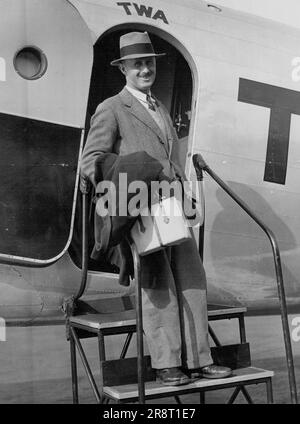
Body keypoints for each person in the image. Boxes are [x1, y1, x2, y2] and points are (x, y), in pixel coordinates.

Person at [80, 31, 232, 386]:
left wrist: (182, 188)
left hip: (172, 209)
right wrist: (131, 171)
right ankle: (166, 364)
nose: (145, 69)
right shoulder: (112, 108)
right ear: (124, 70)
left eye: (149, 63)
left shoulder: (158, 107)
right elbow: (91, 162)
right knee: (156, 285)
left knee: (192, 279)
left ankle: (199, 360)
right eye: (138, 65)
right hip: (140, 210)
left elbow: (171, 160)